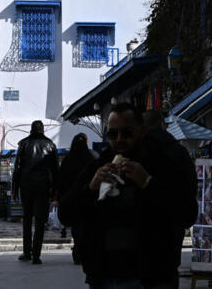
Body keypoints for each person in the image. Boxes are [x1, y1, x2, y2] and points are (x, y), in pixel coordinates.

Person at [60, 103, 197, 289]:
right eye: (112, 134)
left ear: (142, 131)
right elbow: (66, 214)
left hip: (151, 277)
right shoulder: (99, 166)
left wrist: (148, 183)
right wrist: (91, 188)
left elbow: (187, 214)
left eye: (127, 133)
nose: (119, 140)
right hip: (105, 276)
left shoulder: (163, 165)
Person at [12, 120, 59, 265]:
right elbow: (55, 171)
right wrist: (55, 192)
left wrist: (14, 189)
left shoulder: (23, 144)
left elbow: (17, 169)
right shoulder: (50, 145)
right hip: (43, 187)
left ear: (31, 130)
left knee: (26, 219)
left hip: (26, 186)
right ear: (43, 130)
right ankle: (36, 255)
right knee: (40, 221)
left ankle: (27, 252)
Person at [57, 133, 96, 264]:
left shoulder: (68, 160)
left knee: (76, 227)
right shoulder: (92, 158)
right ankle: (83, 251)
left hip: (72, 200)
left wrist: (60, 199)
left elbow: (61, 181)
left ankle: (78, 251)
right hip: (88, 199)